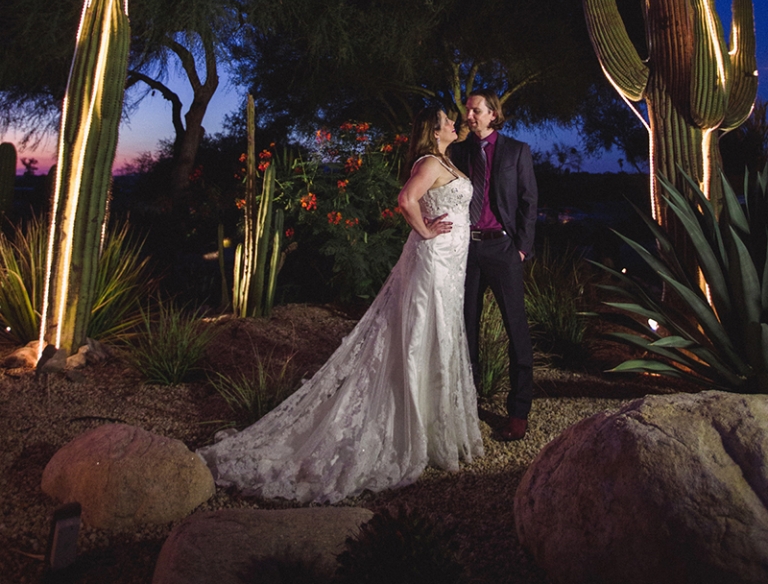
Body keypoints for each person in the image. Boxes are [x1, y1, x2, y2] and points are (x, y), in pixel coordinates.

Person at [197, 104, 483, 503]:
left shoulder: (444, 161)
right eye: (447, 121)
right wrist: (426, 231)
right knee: (420, 337)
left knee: (442, 338)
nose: (454, 124)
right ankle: (410, 433)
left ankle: (436, 432)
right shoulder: (429, 163)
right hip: (433, 266)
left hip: (451, 269)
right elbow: (406, 200)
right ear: (433, 132)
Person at [450, 90, 537, 441]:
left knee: (516, 329)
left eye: (475, 110)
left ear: (492, 114)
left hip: (502, 248)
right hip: (465, 250)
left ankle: (518, 412)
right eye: (467, 110)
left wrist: (521, 249)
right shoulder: (458, 151)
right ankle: (467, 407)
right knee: (465, 330)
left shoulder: (517, 151)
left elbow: (530, 202)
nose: (468, 115)